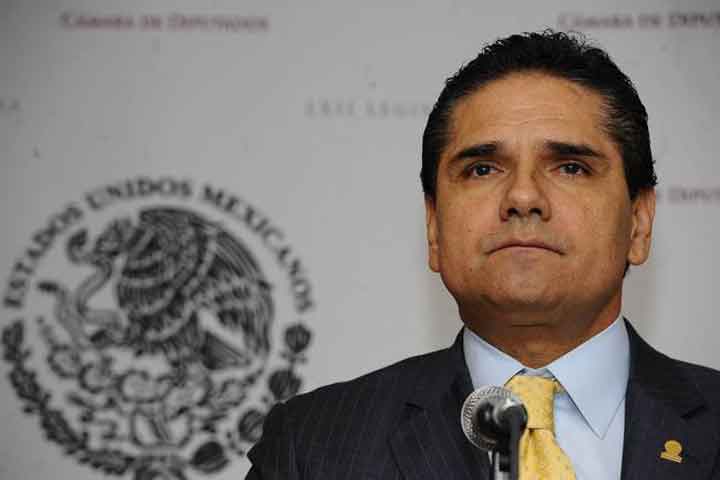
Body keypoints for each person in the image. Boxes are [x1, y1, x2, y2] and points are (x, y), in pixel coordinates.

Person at [246, 30, 720, 479]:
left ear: (639, 221)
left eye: (571, 167)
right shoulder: (313, 447)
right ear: (433, 226)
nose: (523, 196)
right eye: (482, 169)